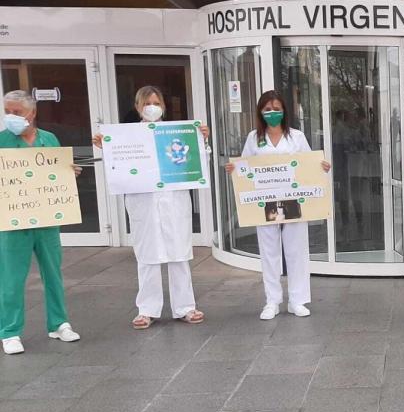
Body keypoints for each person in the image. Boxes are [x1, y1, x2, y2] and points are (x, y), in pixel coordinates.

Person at [93, 86, 207, 329]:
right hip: (143, 202)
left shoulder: (178, 133)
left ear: (163, 106)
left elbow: (196, 163)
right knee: (147, 256)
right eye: (146, 103)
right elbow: (117, 169)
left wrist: (201, 139)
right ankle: (147, 309)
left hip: (174, 200)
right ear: (137, 107)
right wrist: (107, 147)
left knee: (179, 254)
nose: (151, 107)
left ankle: (185, 306)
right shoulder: (126, 136)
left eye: (156, 102)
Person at [226, 90, 331, 320]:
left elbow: (308, 164)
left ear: (284, 110)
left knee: (296, 249)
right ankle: (272, 301)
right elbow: (245, 166)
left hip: (292, 201)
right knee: (269, 250)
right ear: (260, 112)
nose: (272, 113)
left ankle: (297, 300)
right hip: (265, 203)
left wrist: (321, 167)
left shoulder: (296, 136)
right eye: (267, 109)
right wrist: (235, 169)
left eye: (276, 108)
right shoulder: (254, 138)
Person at [0, 90, 82, 355]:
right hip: (14, 222)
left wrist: (70, 172)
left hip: (47, 218)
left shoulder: (49, 139)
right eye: (7, 111)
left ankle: (59, 323)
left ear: (31, 113)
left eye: (16, 112)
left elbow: (58, 171)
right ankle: (10, 331)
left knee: (53, 273)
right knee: (11, 278)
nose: (11, 117)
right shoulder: (2, 141)